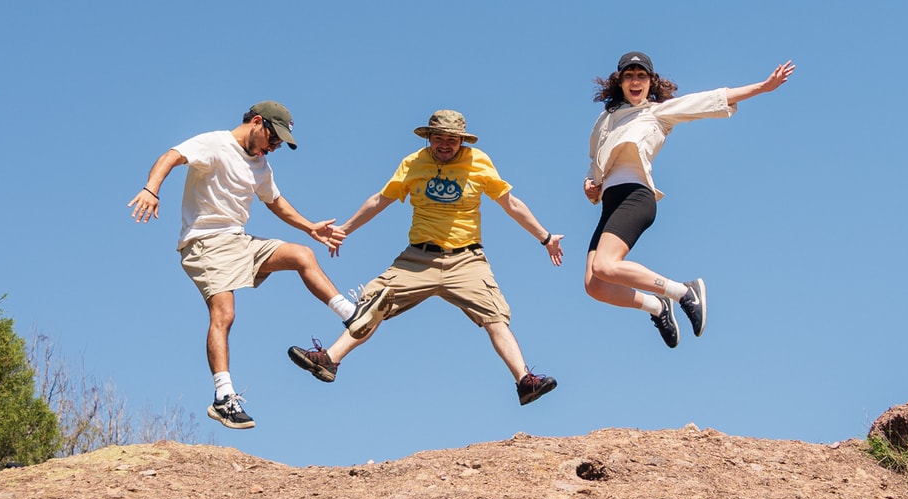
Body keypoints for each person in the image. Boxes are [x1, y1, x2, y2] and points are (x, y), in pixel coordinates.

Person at [286, 110, 562, 405]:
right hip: (418, 259)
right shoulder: (413, 163)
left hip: (466, 260)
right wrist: (345, 229)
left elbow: (511, 203)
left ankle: (524, 381)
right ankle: (329, 360)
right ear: (429, 137)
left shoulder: (478, 162)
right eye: (438, 138)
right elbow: (380, 199)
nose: (445, 145)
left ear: (462, 141)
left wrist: (545, 238)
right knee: (374, 304)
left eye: (452, 140)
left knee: (495, 317)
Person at [130, 100, 367, 431]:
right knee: (224, 314)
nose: (274, 147)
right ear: (257, 122)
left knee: (302, 255)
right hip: (204, 244)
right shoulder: (214, 143)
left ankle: (352, 316)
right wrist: (151, 189)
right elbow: (171, 156)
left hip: (239, 242)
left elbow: (275, 201)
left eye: (280, 144)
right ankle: (223, 397)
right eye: (273, 139)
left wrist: (310, 227)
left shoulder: (260, 166)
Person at [582, 51, 795, 347]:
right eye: (629, 76)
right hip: (610, 203)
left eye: (641, 76)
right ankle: (657, 307)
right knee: (595, 285)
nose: (635, 81)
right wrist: (590, 185)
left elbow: (706, 101)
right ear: (620, 82)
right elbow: (595, 163)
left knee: (605, 265)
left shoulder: (657, 112)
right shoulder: (605, 121)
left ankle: (683, 291)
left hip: (635, 196)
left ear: (650, 82)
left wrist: (762, 87)